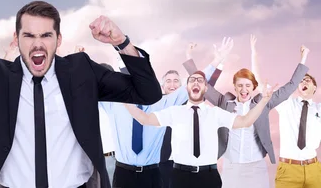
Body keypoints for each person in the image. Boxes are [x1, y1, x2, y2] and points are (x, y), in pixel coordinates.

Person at [0, 0, 162, 188]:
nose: (38, 44)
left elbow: (148, 93)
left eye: (46, 35)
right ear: (17, 38)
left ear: (59, 39)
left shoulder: (82, 71)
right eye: (29, 35)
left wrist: (121, 42)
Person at [101, 38, 230, 188]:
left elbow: (196, 83)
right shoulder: (113, 102)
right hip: (123, 173)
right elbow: (88, 90)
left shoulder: (161, 103)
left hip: (153, 174)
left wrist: (217, 60)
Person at [125, 70, 276, 188]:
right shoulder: (174, 112)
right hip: (180, 176)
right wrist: (124, 99)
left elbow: (244, 121)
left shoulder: (215, 113)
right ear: (186, 88)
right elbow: (144, 119)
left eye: (200, 80)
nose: (196, 82)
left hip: (209, 176)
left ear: (205, 88)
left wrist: (263, 101)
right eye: (192, 80)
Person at [202, 41, 310, 188]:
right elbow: (203, 86)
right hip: (231, 167)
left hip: (256, 168)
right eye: (240, 85)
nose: (243, 89)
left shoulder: (264, 102)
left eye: (248, 85)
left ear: (253, 87)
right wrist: (218, 61)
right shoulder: (225, 103)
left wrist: (303, 57)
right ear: (234, 86)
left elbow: (290, 86)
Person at [274, 72, 321, 187]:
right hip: (289, 170)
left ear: (314, 87)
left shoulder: (318, 109)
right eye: (301, 81)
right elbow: (263, 89)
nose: (304, 82)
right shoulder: (286, 104)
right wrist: (254, 54)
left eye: (307, 80)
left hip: (313, 169)